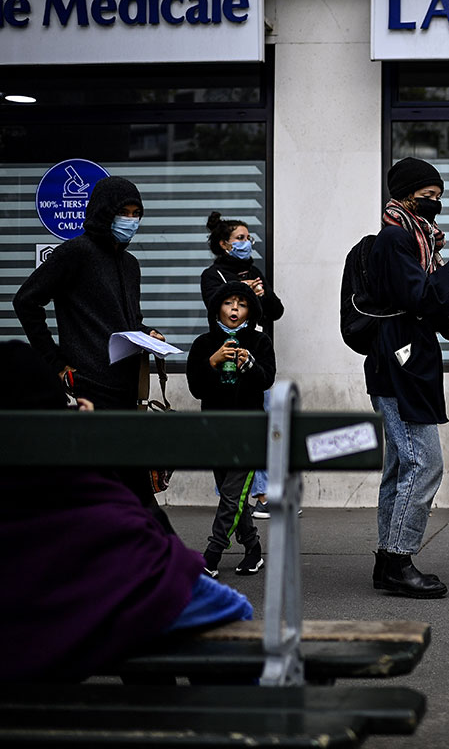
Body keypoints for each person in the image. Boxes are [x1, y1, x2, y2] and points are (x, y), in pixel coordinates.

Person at [0, 340, 252, 683]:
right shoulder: (84, 488)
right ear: (56, 417)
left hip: (30, 646)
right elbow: (139, 530)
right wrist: (88, 448)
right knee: (225, 612)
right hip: (116, 595)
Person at [367, 157, 449, 599]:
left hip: (406, 364)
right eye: (428, 197)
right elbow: (418, 297)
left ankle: (389, 560)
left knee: (401, 466)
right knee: (423, 464)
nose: (435, 205)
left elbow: (429, 303)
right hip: (397, 366)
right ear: (405, 195)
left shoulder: (415, 240)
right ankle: (398, 561)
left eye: (439, 198)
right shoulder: (395, 239)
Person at [12, 176, 166, 508]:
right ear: (102, 212)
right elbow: (26, 301)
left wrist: (147, 334)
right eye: (123, 211)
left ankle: (146, 553)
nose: (130, 220)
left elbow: (127, 321)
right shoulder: (76, 253)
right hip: (89, 389)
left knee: (128, 490)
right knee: (112, 490)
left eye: (136, 212)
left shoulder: (130, 264)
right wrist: (55, 362)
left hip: (126, 391)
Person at [186, 282, 277, 578]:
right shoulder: (203, 344)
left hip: (248, 431)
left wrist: (249, 364)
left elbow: (266, 380)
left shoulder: (260, 342)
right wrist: (213, 362)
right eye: (228, 303)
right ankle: (253, 549)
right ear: (217, 309)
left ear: (250, 310)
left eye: (242, 303)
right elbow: (196, 388)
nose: (235, 308)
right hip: (215, 430)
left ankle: (211, 555)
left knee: (232, 495)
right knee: (231, 495)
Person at [201, 211, 286, 520]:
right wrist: (242, 292)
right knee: (227, 424)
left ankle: (262, 494)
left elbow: (275, 311)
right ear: (225, 244)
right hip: (224, 357)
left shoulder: (254, 271)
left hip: (253, 358)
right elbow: (215, 309)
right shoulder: (214, 275)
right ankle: (231, 495)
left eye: (248, 238)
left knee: (259, 423)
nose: (247, 243)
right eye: (240, 238)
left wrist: (260, 295)